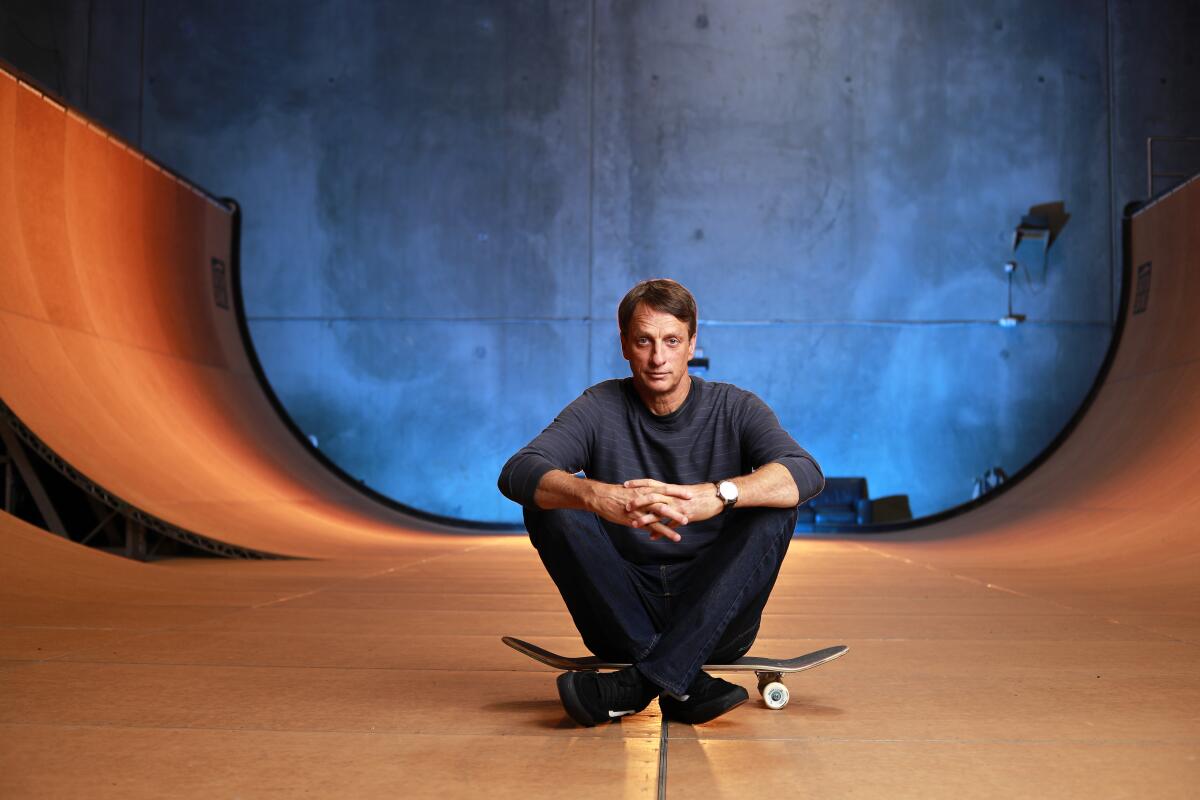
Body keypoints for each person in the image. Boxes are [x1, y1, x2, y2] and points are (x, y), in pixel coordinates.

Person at [497, 279, 823, 726]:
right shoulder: (599, 406)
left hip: (717, 616)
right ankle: (681, 681)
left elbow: (804, 471)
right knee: (549, 504)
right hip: (621, 612)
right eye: (644, 341)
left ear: (692, 344)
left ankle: (634, 686)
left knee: (777, 504)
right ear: (625, 346)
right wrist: (599, 496)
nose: (657, 357)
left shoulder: (735, 407)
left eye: (672, 341)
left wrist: (719, 495)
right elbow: (518, 471)